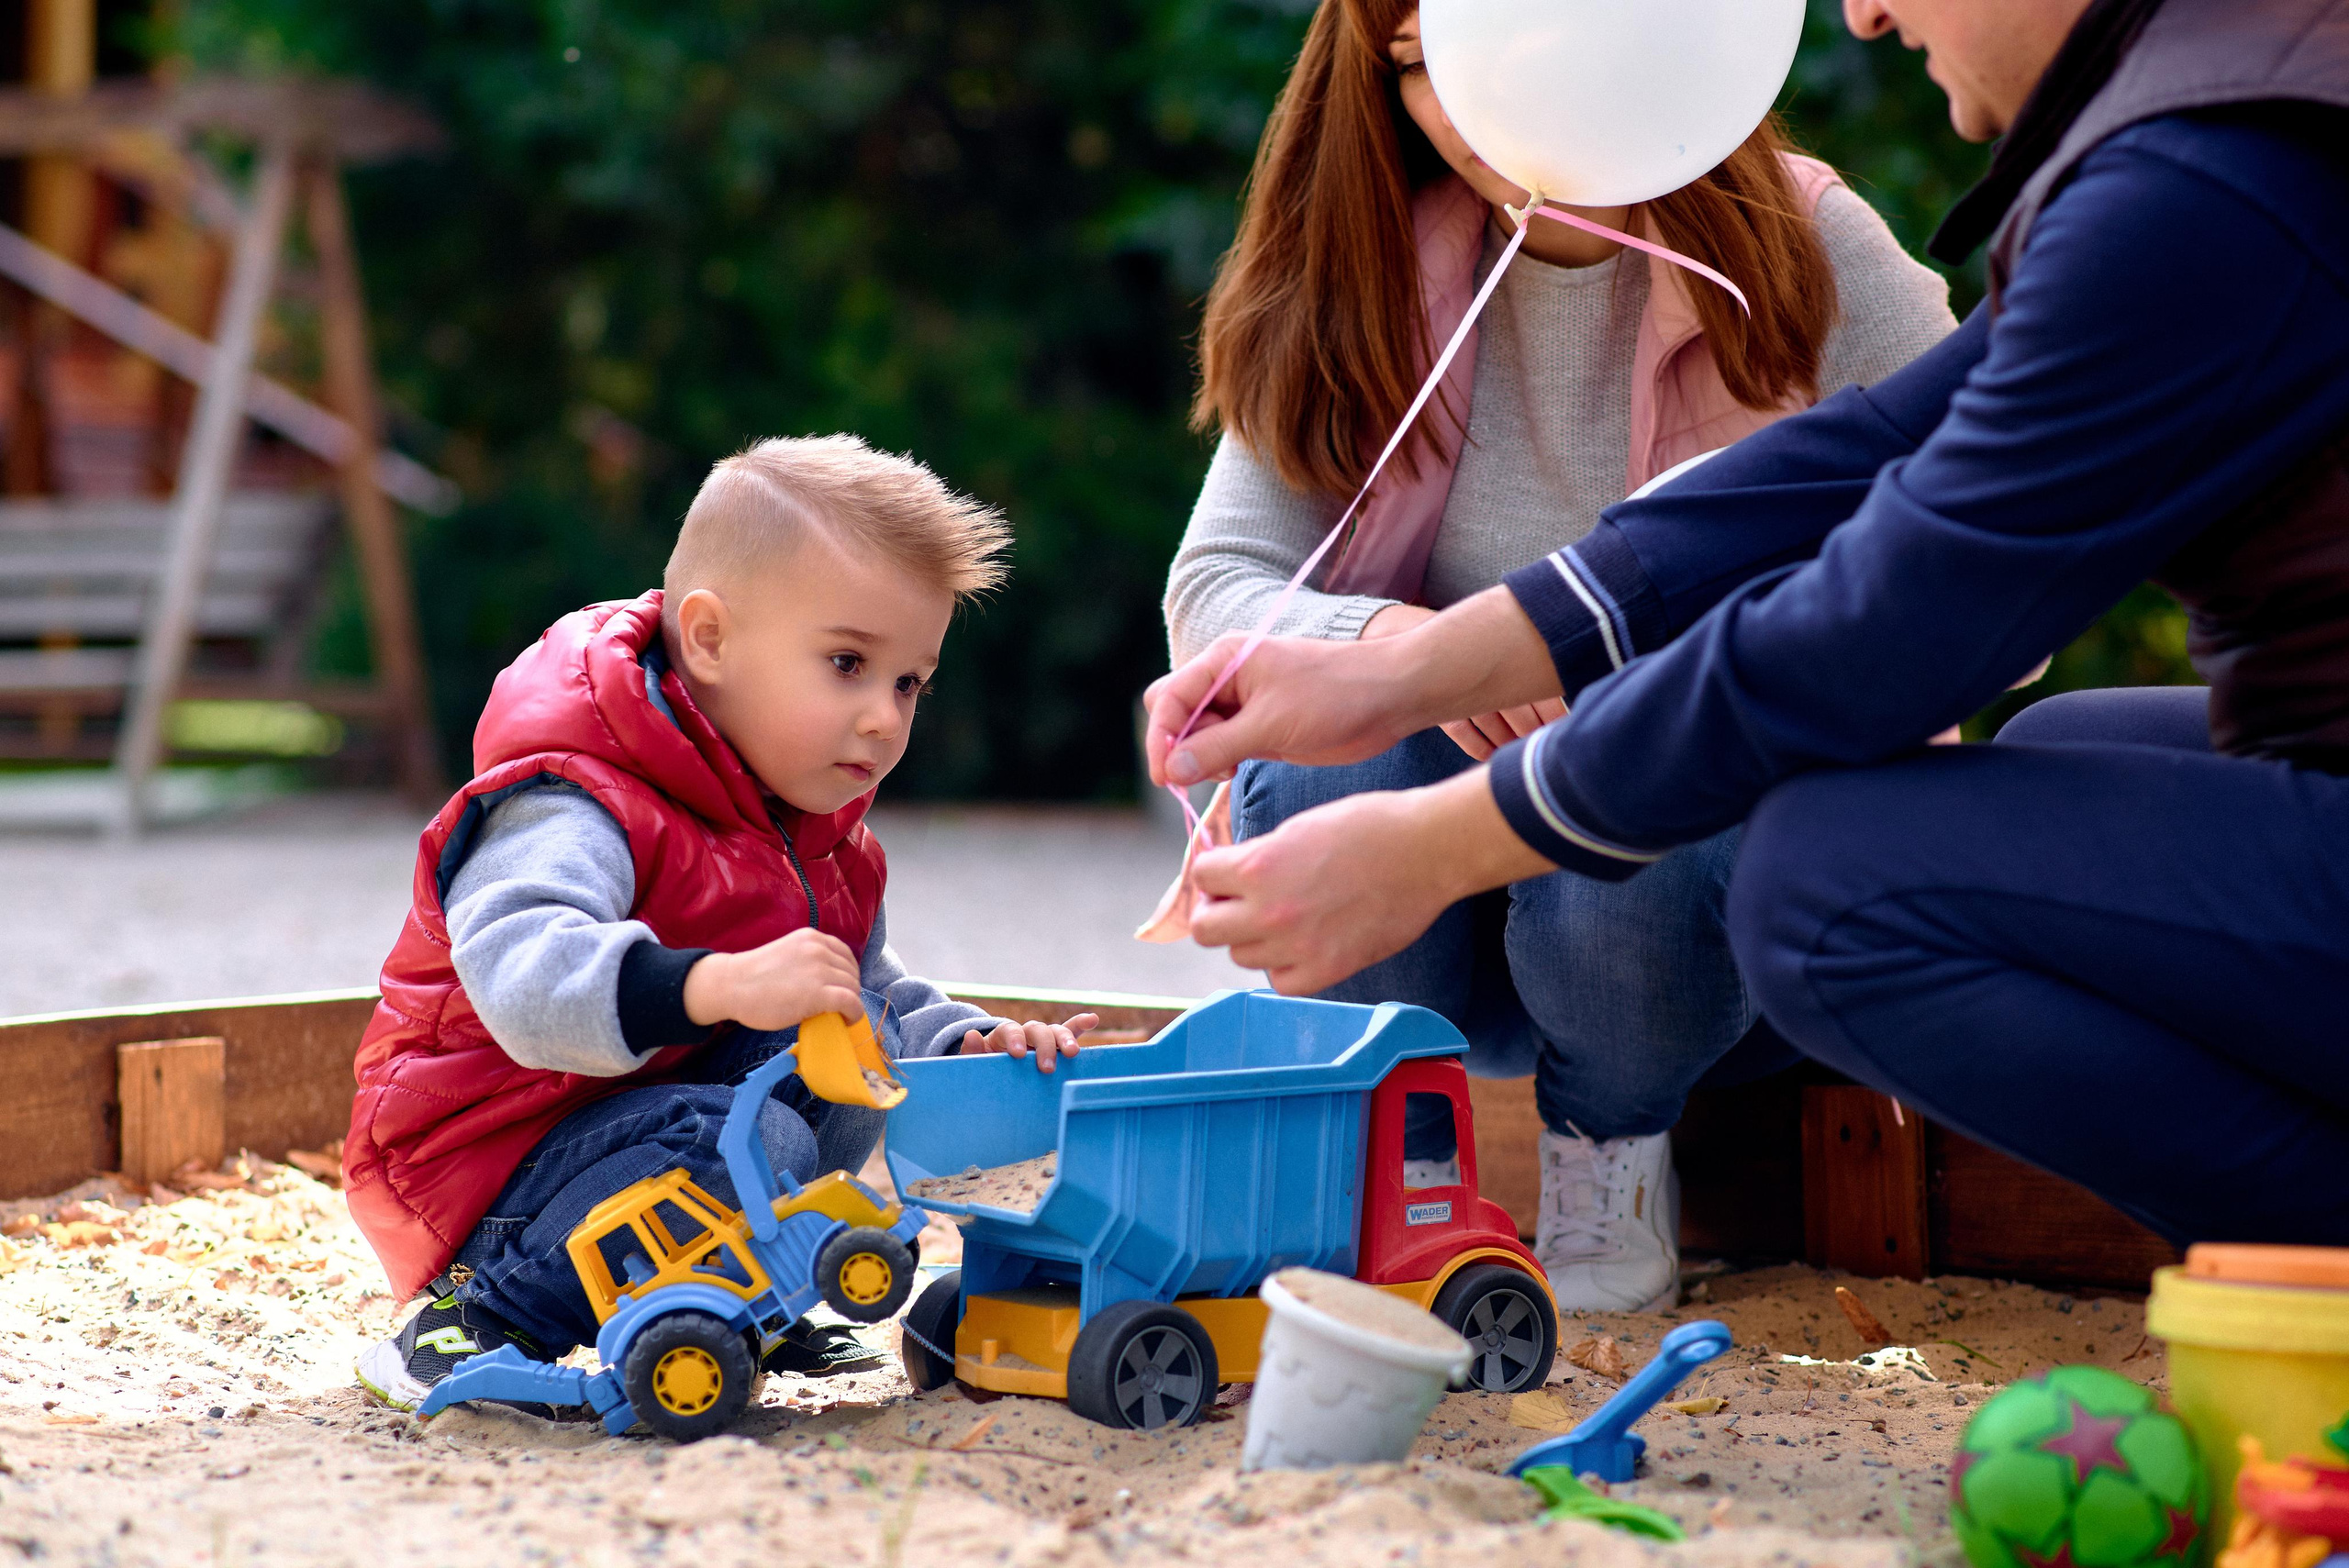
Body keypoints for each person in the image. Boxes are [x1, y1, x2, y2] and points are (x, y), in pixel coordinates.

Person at [1146, 0, 2349, 1250]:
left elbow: (1895, 619)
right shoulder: (2221, 115)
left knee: (1825, 885)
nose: (1865, 14)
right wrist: (1409, 670)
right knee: (2074, 737)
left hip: (1662, 908)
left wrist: (1441, 841)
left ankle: (2312, 1247)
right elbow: (1876, 451)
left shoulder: (2200, 182)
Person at [1163, 0, 1955, 1308]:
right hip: (1432, 905)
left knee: (1632, 764)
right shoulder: (1365, 264)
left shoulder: (1809, 244)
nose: (1475, 102)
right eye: (1422, 67)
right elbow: (1220, 586)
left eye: (1506, 49)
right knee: (1316, 764)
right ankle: (1381, 1150)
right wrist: (1412, 650)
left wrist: (1630, 673)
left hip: (1693, 919)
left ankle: (1610, 1148)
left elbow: (1980, 569)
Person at [349, 436, 1095, 1410]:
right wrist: (716, 983)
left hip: (634, 1130)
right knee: (740, 1136)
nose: (883, 716)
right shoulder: (576, 798)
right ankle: (474, 1315)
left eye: (908, 681)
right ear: (708, 639)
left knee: (846, 1046)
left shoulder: (814, 835)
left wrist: (965, 1037)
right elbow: (524, 981)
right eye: (846, 663)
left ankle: (738, 1289)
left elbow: (859, 987)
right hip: (484, 1174)